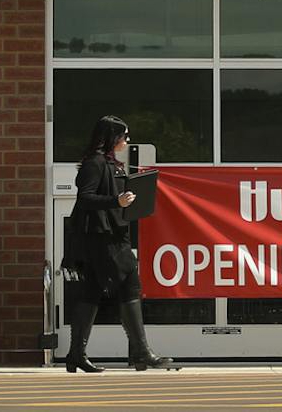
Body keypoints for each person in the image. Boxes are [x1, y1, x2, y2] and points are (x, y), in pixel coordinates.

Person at [61, 115, 178, 373]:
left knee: (91, 291)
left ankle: (76, 355)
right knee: (130, 285)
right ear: (112, 137)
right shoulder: (95, 163)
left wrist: (129, 201)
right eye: (124, 135)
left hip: (111, 236)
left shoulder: (112, 164)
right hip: (102, 239)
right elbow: (86, 198)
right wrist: (117, 201)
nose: (127, 140)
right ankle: (141, 353)